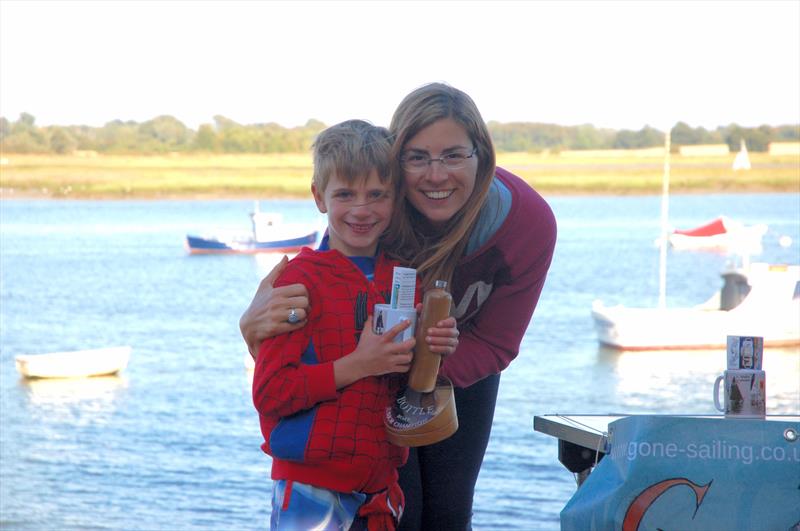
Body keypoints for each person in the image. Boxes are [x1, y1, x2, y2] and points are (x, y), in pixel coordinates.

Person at [242, 83, 557, 530]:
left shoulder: (525, 223)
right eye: (417, 157)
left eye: (453, 155)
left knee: (448, 513)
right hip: (370, 370)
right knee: (400, 509)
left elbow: (497, 342)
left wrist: (428, 365)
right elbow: (329, 289)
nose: (435, 175)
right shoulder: (380, 208)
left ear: (482, 155)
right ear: (395, 162)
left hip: (455, 362)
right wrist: (253, 326)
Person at [253, 119, 457, 530]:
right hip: (311, 490)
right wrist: (361, 363)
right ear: (319, 197)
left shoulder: (404, 278)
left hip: (380, 489)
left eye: (377, 195)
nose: (361, 210)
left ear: (396, 197)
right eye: (345, 194)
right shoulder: (298, 281)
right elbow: (271, 393)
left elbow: (407, 384)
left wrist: (434, 347)